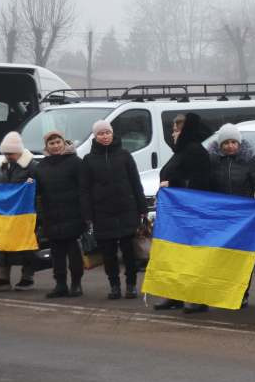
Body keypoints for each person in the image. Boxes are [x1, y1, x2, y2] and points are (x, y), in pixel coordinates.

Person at [80, 120, 147, 301]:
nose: (105, 136)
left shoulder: (125, 155)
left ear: (112, 133)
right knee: (108, 255)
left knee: (129, 252)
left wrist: (142, 208)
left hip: (126, 210)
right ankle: (114, 286)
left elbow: (135, 183)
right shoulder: (88, 160)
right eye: (101, 133)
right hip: (102, 213)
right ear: (95, 136)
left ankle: (131, 285)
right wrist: (87, 215)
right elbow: (85, 190)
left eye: (107, 132)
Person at [154, 112, 213, 313]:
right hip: (177, 215)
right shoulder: (181, 151)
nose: (173, 134)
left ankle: (196, 297)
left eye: (176, 129)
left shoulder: (195, 151)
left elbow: (199, 183)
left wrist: (173, 185)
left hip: (191, 214)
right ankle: (175, 294)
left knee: (192, 257)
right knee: (176, 255)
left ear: (185, 131)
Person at [208, 123, 255, 307]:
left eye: (234, 142)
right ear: (220, 145)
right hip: (222, 219)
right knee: (223, 258)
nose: (230, 146)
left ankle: (242, 293)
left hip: (244, 220)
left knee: (242, 258)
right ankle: (225, 292)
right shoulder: (212, 162)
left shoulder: (250, 161)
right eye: (226, 143)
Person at [0, 131, 39, 292]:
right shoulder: (2, 166)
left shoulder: (33, 166)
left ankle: (27, 277)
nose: (8, 156)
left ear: (19, 151)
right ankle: (2, 277)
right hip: (6, 213)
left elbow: (40, 189)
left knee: (26, 246)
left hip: (25, 214)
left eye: (10, 153)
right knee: (3, 244)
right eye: (5, 153)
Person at [35, 130, 85, 298]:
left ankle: (76, 284)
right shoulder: (41, 166)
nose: (55, 146)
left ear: (64, 143)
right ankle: (60, 284)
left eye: (58, 142)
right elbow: (38, 192)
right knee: (57, 255)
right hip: (52, 217)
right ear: (47, 147)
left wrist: (85, 214)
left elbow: (84, 189)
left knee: (74, 253)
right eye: (51, 143)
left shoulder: (76, 162)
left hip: (73, 215)